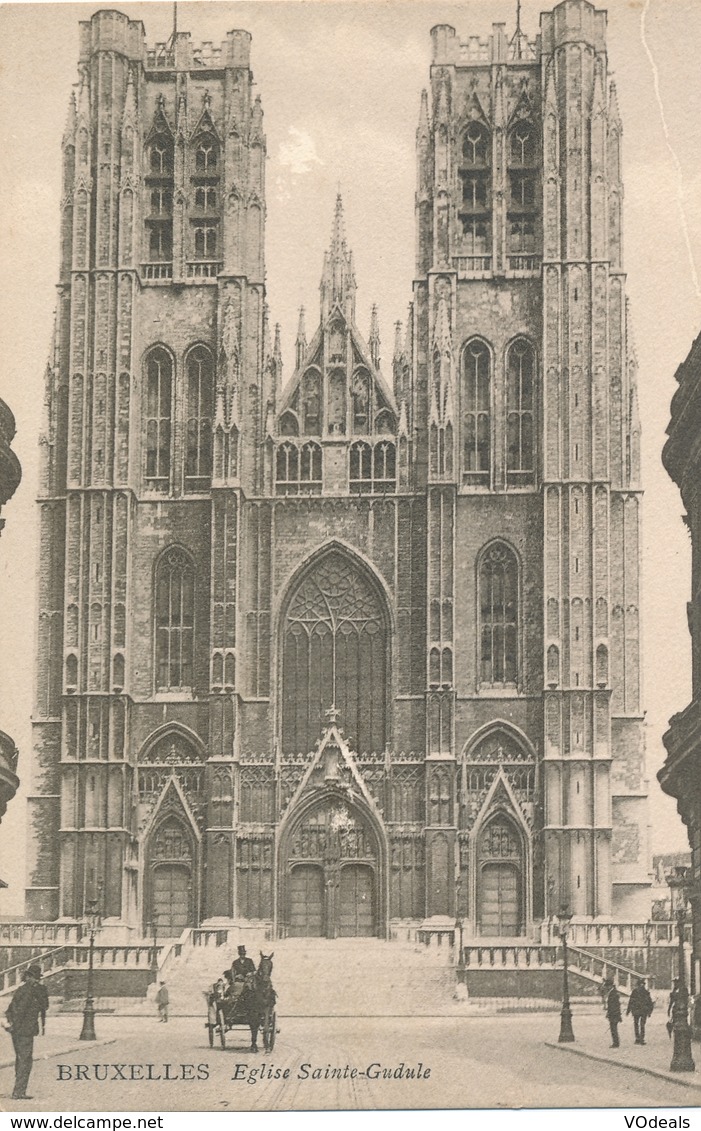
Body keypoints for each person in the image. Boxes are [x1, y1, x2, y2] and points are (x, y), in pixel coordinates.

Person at [5, 964, 49, 1101]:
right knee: (25, 1060)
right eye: (33, 978)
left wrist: (11, 1024)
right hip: (24, 1030)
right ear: (28, 977)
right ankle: (18, 1092)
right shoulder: (34, 991)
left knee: (21, 1059)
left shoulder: (22, 990)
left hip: (17, 1030)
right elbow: (17, 1009)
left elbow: (10, 1009)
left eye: (37, 978)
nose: (36, 981)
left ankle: (18, 1090)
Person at [627, 977, 654, 1044]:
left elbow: (649, 1002)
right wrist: (650, 1012)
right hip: (641, 1011)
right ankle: (640, 1039)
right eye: (641, 984)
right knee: (640, 1025)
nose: (641, 986)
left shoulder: (638, 992)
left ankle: (639, 1038)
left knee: (639, 1025)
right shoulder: (644, 992)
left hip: (639, 1011)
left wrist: (628, 1010)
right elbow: (631, 1001)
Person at [603, 977, 622, 1048]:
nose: (606, 988)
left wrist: (609, 1012)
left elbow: (614, 1005)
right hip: (614, 1013)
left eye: (607, 986)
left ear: (610, 986)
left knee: (613, 1028)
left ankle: (616, 1043)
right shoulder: (613, 992)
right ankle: (615, 1042)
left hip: (614, 1014)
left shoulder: (613, 993)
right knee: (613, 1028)